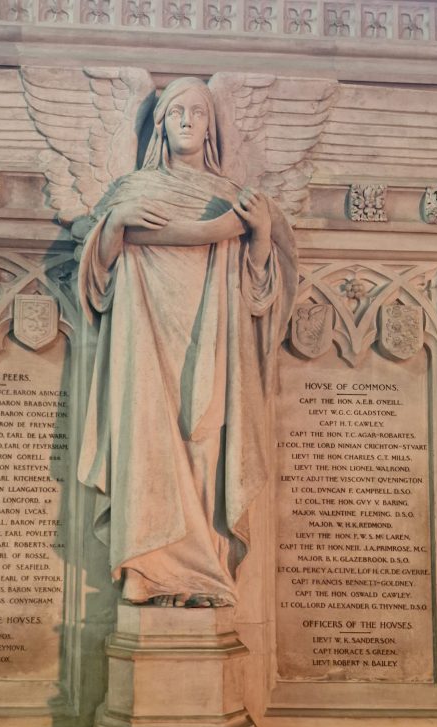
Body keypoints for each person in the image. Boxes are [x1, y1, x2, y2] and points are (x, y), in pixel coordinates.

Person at [77, 76, 296, 608]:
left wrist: (261, 235)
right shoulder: (130, 194)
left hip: (212, 337)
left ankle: (204, 571)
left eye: (198, 112)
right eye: (176, 111)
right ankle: (149, 570)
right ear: (161, 123)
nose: (186, 120)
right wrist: (116, 225)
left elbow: (261, 295)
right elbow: (96, 284)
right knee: (144, 440)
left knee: (205, 441)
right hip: (144, 337)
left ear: (211, 127)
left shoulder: (232, 202)